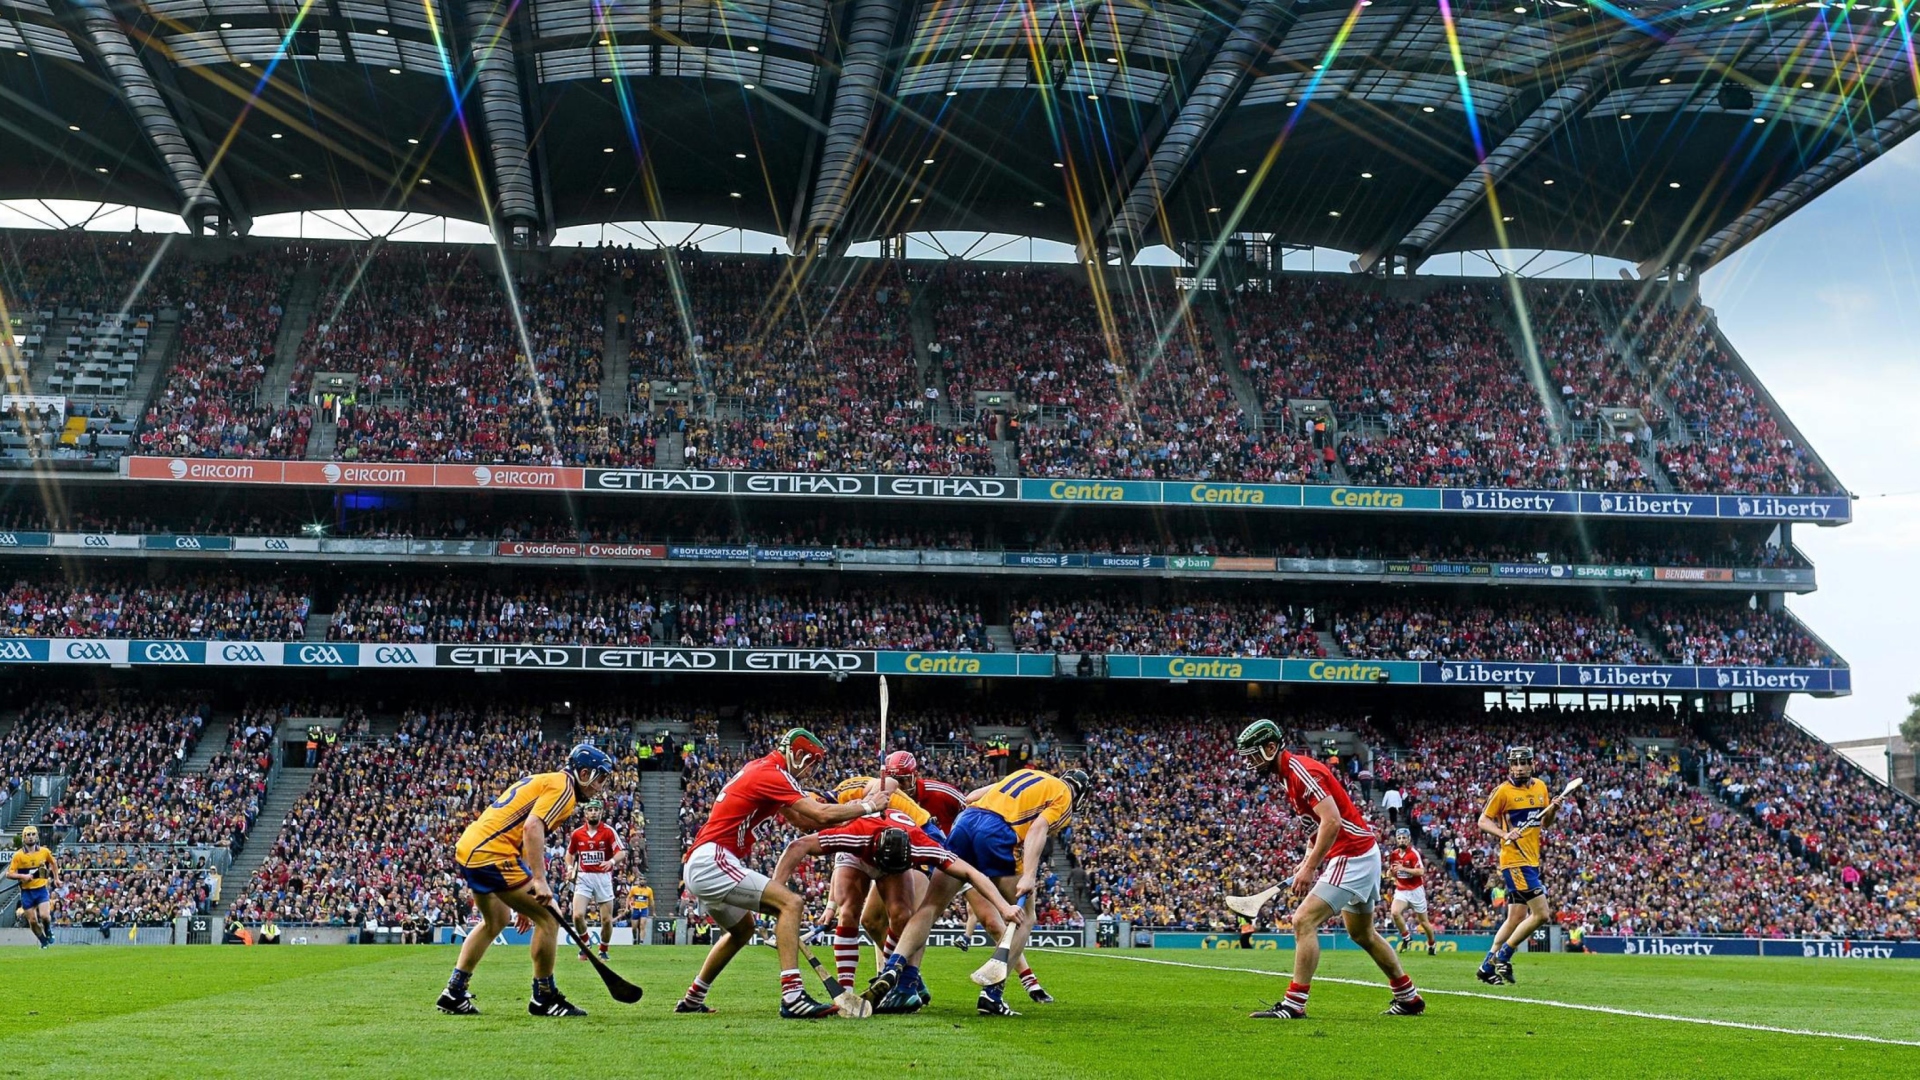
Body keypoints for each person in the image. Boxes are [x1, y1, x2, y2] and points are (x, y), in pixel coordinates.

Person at [677, 728, 890, 1018]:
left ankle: (693, 997)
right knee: (791, 903)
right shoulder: (774, 773)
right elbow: (820, 814)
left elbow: (804, 821)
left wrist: (852, 811)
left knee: (743, 931)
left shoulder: (764, 771)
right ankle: (792, 996)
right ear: (800, 755)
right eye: (812, 764)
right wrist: (868, 806)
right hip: (713, 860)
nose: (811, 774)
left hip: (705, 861)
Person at [1235, 719, 1423, 1020]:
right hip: (1359, 852)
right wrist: (1308, 857)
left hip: (1353, 855)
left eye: (1253, 755)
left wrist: (1310, 867)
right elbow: (1317, 825)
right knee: (1363, 934)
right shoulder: (1287, 776)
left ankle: (1294, 1004)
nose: (1249, 763)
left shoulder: (1301, 772)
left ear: (1271, 748)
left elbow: (1332, 821)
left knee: (1303, 920)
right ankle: (1409, 997)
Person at [888, 765, 1090, 1016]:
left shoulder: (1026, 774)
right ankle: (992, 994)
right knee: (1026, 918)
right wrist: (1028, 875)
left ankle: (896, 973)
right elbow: (1038, 828)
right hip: (997, 833)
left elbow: (972, 796)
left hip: (967, 821)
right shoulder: (1065, 797)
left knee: (931, 905)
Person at [768, 804, 1022, 1003]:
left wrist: (1004, 907)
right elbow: (797, 845)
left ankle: (890, 975)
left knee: (902, 914)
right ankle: (845, 991)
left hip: (898, 858)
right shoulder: (854, 835)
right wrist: (774, 891)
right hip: (860, 852)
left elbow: (971, 873)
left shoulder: (921, 844)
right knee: (848, 913)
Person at [436, 742, 614, 1018]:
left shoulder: (547, 780)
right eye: (599, 778)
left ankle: (454, 992)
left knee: (495, 921)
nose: (600, 787)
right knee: (549, 917)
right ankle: (544, 996)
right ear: (583, 772)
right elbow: (532, 827)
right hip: (492, 853)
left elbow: (520, 830)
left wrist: (524, 890)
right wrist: (539, 881)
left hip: (470, 848)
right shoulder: (564, 790)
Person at [1476, 745, 1567, 986]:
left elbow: (1545, 823)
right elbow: (1483, 820)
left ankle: (1486, 966)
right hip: (1515, 861)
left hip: (1531, 860)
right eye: (1514, 763)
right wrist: (1504, 834)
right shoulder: (1503, 791)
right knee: (1541, 914)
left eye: (1523, 763)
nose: (1518, 768)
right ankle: (1504, 956)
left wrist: (1554, 810)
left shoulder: (1540, 787)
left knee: (1515, 917)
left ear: (1531, 764)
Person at [566, 801, 625, 961]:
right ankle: (585, 946)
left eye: (596, 810)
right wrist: (570, 868)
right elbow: (569, 854)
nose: (593, 812)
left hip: (603, 878)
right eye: (590, 810)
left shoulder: (608, 831)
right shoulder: (577, 833)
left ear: (601, 813)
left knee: (606, 920)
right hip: (584, 876)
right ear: (585, 814)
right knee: (577, 915)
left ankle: (603, 949)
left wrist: (611, 862)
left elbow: (621, 852)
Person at [1385, 828, 1437, 955]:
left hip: (1416, 891)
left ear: (1408, 840)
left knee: (1424, 923)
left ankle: (1431, 944)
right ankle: (1407, 938)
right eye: (1399, 838)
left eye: (1404, 838)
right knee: (1395, 913)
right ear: (1396, 840)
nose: (1402, 840)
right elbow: (1392, 871)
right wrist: (1390, 873)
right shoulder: (1394, 854)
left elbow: (1421, 872)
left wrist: (1404, 868)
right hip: (1402, 890)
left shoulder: (1413, 854)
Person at [7, 826, 57, 949]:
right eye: (28, 835)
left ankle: (48, 930)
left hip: (40, 889)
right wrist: (22, 876)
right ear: (24, 838)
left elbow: (53, 863)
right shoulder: (18, 855)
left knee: (45, 916)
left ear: (37, 836)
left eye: (33, 834)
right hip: (26, 892)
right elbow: (9, 873)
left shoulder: (44, 852)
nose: (30, 837)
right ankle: (43, 942)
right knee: (33, 921)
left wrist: (57, 878)